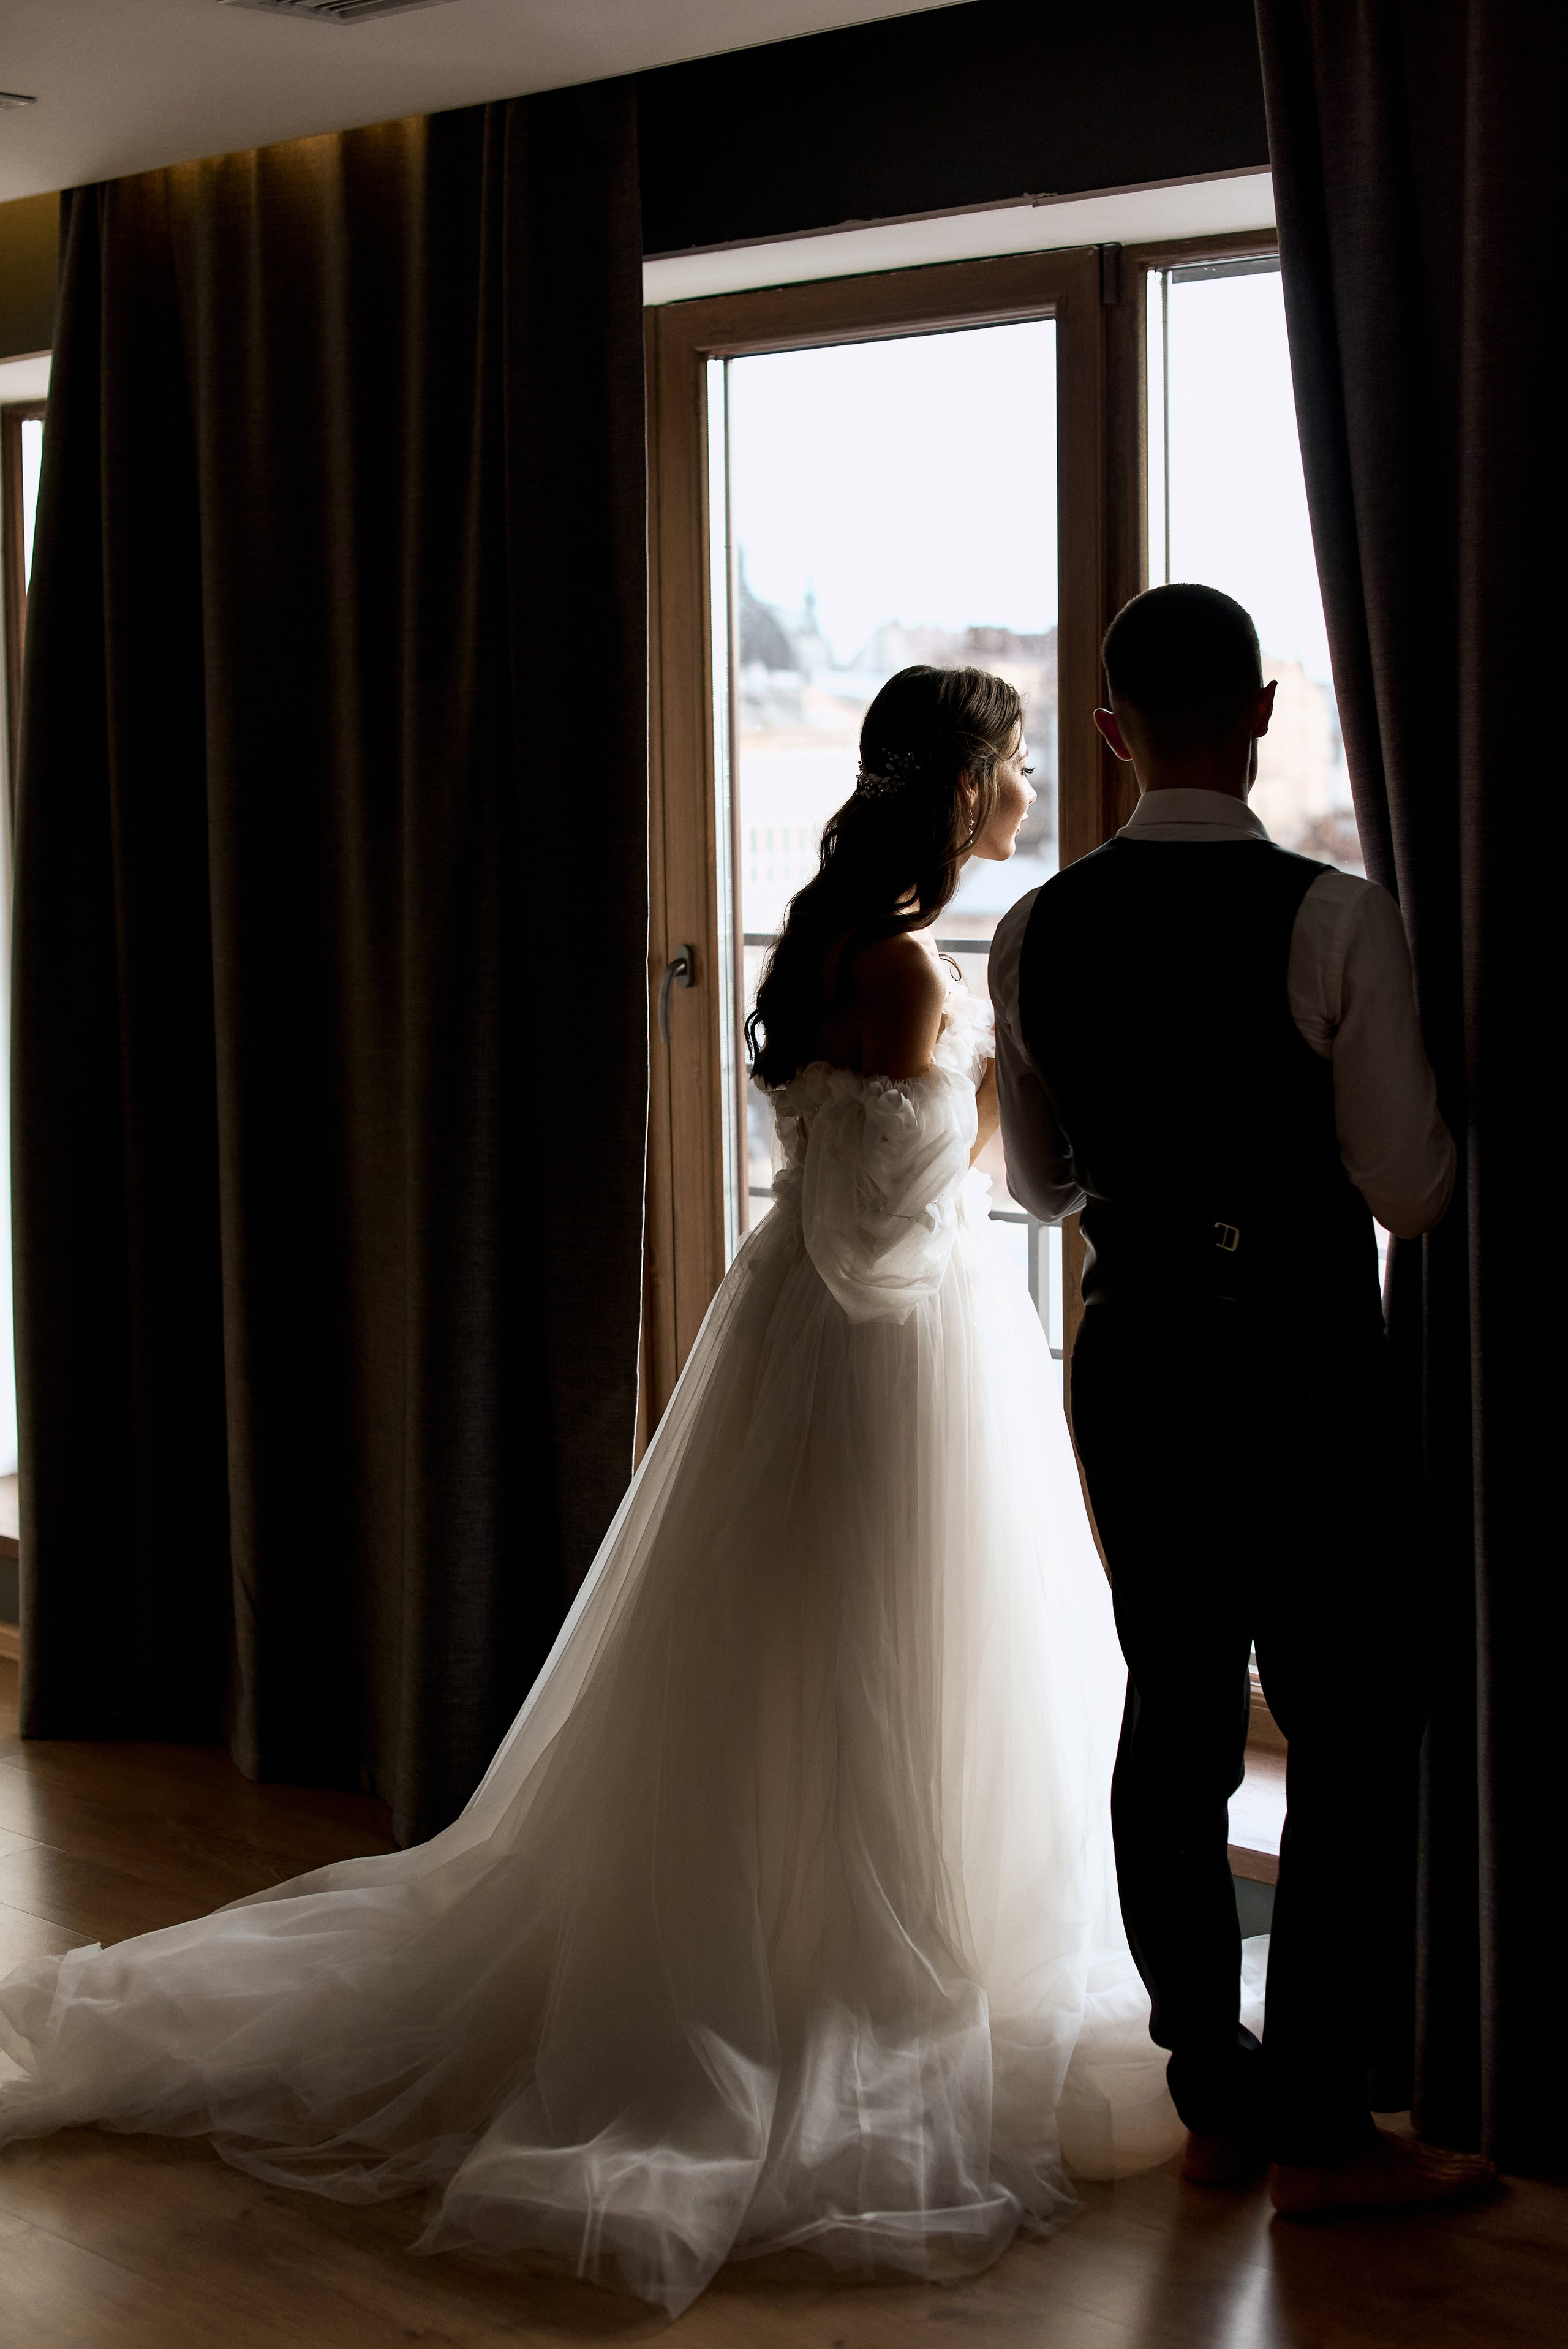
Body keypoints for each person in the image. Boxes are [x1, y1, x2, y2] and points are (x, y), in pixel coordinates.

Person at [0, 666, 1185, 2318]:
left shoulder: (828, 938)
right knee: (871, 1665)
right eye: (1015, 762)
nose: (1030, 782)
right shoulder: (910, 965)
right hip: (880, 1357)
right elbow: (877, 1223)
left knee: (820, 1668)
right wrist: (1000, 1094)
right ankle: (843, 1975)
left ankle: (838, 1950)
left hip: (810, 1343)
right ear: (964, 784)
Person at [990, 583, 1494, 2215]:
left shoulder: (1035, 929)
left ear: (1115, 733)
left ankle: (1212, 2095)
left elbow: (1049, 1184)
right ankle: (1322, 2125)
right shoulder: (1335, 918)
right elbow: (1409, 1189)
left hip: (1136, 1363)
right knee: (1346, 1728)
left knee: (1178, 1713)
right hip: (1301, 1365)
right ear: (1265, 712)